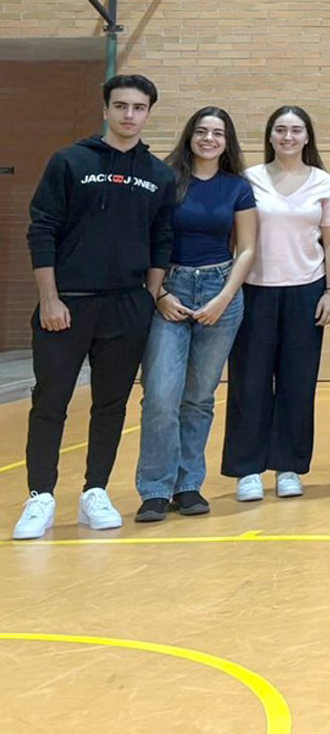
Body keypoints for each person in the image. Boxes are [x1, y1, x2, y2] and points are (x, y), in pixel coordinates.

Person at [15, 75, 177, 540]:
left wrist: (149, 294)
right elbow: (41, 229)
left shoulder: (158, 175)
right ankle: (40, 496)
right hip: (66, 306)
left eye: (139, 107)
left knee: (111, 404)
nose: (129, 115)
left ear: (148, 113)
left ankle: (95, 491)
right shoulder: (70, 161)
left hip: (127, 309)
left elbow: (161, 240)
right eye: (121, 105)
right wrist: (49, 298)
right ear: (106, 108)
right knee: (50, 402)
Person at [133, 107, 257, 523]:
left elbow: (248, 249)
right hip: (170, 291)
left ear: (227, 141)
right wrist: (159, 293)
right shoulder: (167, 179)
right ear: (189, 136)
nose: (209, 139)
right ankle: (154, 489)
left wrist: (224, 297)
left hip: (219, 293)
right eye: (201, 131)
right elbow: (149, 238)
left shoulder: (237, 187)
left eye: (218, 133)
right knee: (162, 395)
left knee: (199, 397)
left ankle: (187, 485)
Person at [222, 106, 330, 504]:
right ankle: (247, 470)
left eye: (296, 130)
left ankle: (289, 467)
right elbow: (235, 238)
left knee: (298, 381)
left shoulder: (324, 183)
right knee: (249, 381)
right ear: (270, 136)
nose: (288, 137)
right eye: (281, 130)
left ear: (307, 137)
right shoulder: (249, 180)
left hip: (306, 291)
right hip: (254, 290)